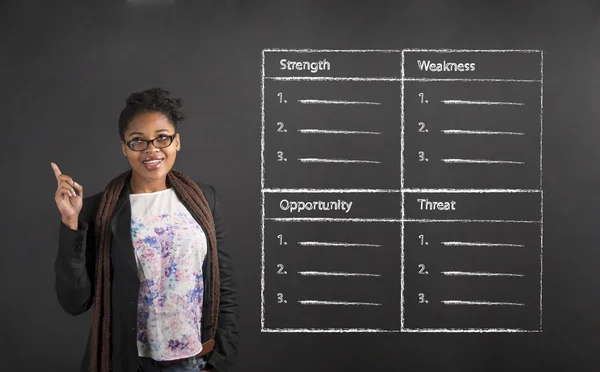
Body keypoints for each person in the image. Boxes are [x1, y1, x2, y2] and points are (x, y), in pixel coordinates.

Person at [51, 87, 239, 372]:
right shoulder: (98, 210)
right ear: (124, 147)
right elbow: (74, 301)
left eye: (162, 137)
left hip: (194, 362)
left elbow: (224, 287)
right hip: (129, 362)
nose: (152, 149)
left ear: (177, 142)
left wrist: (220, 362)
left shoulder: (205, 199)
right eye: (138, 141)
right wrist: (71, 224)